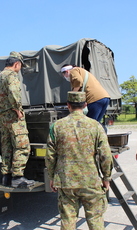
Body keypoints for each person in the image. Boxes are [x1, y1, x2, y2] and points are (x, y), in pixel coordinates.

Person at [46, 91, 113, 230]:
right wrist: (106, 177)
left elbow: (50, 155)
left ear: (68, 105)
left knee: (68, 220)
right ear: (85, 105)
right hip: (91, 181)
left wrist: (51, 177)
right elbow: (105, 154)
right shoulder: (96, 126)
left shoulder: (57, 126)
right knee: (95, 219)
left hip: (66, 182)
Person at [0, 51, 35, 188]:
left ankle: (6, 176)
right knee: (22, 145)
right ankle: (18, 177)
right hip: (13, 117)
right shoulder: (12, 76)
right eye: (20, 66)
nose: (19, 69)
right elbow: (14, 93)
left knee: (7, 146)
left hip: (2, 117)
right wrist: (17, 109)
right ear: (16, 64)